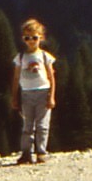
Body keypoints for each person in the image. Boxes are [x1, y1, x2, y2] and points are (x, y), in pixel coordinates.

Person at [9, 18, 57, 164]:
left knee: (42, 125)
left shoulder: (45, 56)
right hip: (26, 93)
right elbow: (16, 77)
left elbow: (51, 77)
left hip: (43, 92)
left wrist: (52, 96)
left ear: (41, 38)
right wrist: (14, 97)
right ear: (23, 39)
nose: (31, 41)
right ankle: (26, 153)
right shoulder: (21, 57)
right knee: (27, 125)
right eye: (27, 38)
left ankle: (41, 152)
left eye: (34, 37)